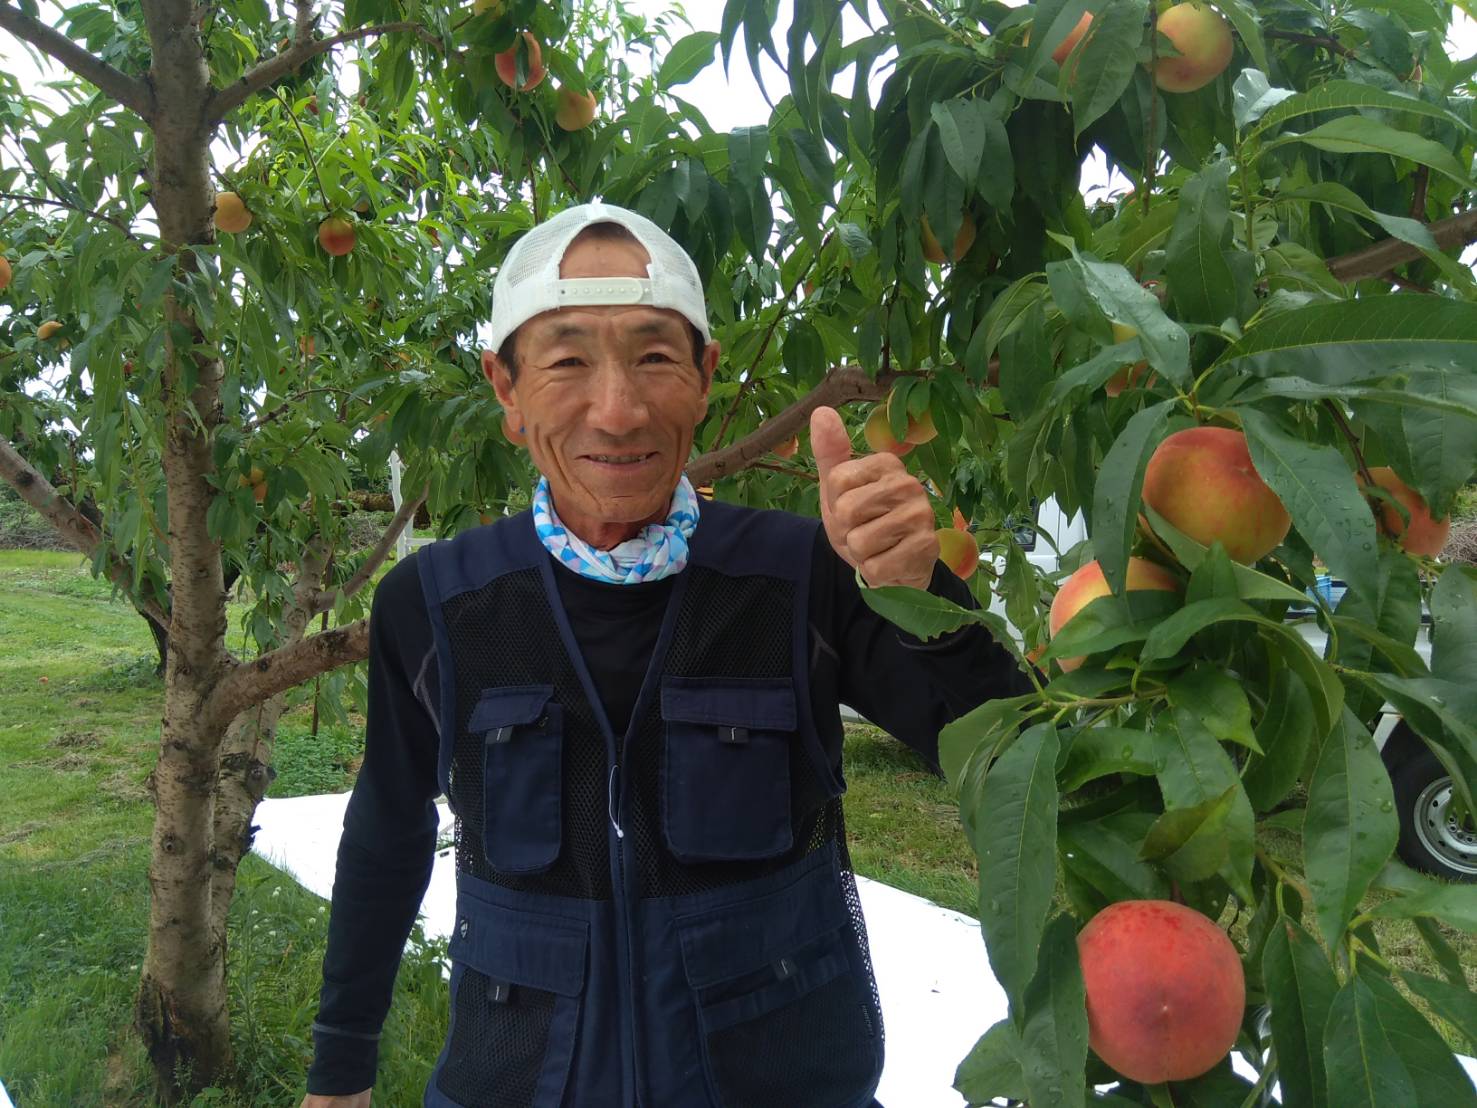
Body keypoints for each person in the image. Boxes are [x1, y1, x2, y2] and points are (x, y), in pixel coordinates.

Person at [300, 201, 1026, 1108]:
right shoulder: (437, 605)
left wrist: (926, 596)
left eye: (654, 356)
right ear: (505, 390)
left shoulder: (809, 578)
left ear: (706, 375)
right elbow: (387, 829)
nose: (618, 409)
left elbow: (1008, 764)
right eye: (566, 361)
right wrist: (340, 1069)